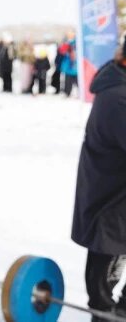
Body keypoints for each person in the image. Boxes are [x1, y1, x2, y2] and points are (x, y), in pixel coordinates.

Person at [71, 37, 126, 321]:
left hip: (113, 194)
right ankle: (104, 313)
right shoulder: (118, 96)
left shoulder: (116, 86)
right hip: (111, 196)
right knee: (106, 263)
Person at [61, 32, 79, 97]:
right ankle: (67, 93)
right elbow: (62, 51)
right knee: (68, 82)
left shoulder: (78, 43)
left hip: (76, 68)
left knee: (78, 82)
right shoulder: (67, 44)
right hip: (69, 68)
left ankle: (80, 93)